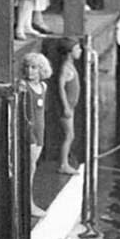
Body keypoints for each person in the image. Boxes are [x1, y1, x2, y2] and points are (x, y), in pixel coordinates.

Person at [18, 51, 53, 218]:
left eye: (34, 68)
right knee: (29, 170)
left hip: (40, 134)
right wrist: (30, 137)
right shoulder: (24, 87)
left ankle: (28, 202)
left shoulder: (43, 87)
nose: (30, 71)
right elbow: (26, 115)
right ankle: (28, 204)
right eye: (27, 67)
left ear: (41, 70)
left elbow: (41, 114)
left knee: (33, 168)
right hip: (30, 135)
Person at [53, 38, 82, 175]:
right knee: (69, 135)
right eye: (77, 49)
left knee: (70, 135)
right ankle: (63, 164)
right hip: (67, 106)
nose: (80, 51)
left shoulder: (70, 65)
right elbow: (61, 87)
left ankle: (66, 160)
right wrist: (65, 106)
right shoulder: (66, 68)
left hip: (71, 105)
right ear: (70, 52)